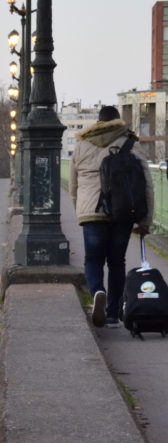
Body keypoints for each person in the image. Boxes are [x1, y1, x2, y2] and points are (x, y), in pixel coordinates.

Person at [69, 105, 154, 328]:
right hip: (123, 211)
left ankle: (97, 290)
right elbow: (147, 184)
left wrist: (80, 211)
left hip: (91, 212)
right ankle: (113, 314)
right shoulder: (130, 142)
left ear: (98, 121)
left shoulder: (81, 144)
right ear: (118, 121)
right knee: (117, 262)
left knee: (93, 259)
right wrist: (145, 221)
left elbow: (73, 185)